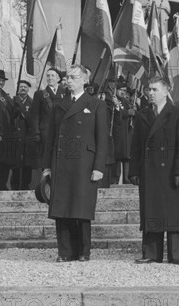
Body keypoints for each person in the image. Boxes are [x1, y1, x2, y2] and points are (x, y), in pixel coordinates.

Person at [42, 65, 108, 262]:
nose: (68, 81)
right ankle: (64, 251)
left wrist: (98, 167)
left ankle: (83, 251)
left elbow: (102, 139)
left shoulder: (96, 104)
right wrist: (47, 166)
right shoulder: (58, 104)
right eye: (67, 77)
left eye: (73, 77)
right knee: (62, 207)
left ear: (84, 80)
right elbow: (50, 138)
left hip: (84, 164)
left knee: (81, 207)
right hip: (61, 162)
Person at [129, 77, 179, 265]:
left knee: (172, 212)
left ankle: (175, 254)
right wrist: (134, 171)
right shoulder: (142, 115)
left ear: (166, 91)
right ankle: (151, 253)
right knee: (151, 210)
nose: (150, 93)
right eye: (149, 89)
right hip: (149, 171)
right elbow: (136, 147)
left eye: (155, 89)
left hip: (171, 170)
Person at [28, 68, 66, 171]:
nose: (50, 78)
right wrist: (36, 133)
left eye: (52, 76)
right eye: (48, 76)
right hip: (46, 132)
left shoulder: (66, 93)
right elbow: (35, 116)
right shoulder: (39, 94)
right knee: (47, 159)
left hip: (62, 131)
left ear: (58, 78)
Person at [10, 80, 34, 190]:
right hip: (15, 136)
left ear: (28, 89)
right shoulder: (12, 101)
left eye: (25, 87)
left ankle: (25, 184)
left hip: (27, 136)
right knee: (15, 162)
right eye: (20, 87)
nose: (23, 89)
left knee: (27, 162)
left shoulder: (32, 102)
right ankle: (14, 185)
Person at [111, 77, 136, 184]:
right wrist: (127, 112)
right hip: (117, 133)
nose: (123, 92)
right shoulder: (113, 100)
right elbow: (119, 114)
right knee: (117, 156)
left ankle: (127, 178)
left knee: (126, 156)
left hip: (126, 133)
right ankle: (115, 179)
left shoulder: (125, 101)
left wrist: (133, 110)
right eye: (121, 90)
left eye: (125, 91)